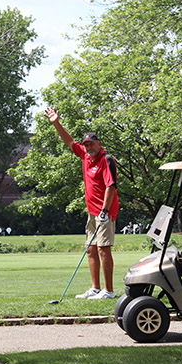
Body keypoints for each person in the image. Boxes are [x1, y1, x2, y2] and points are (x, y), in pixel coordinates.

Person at [46, 107, 119, 299]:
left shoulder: (106, 160)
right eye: (86, 145)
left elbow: (111, 186)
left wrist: (104, 211)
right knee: (91, 248)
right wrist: (56, 123)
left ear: (98, 144)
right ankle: (95, 288)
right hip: (92, 212)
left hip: (105, 211)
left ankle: (109, 291)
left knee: (104, 249)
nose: (88, 147)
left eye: (91, 144)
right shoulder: (85, 157)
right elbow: (69, 141)